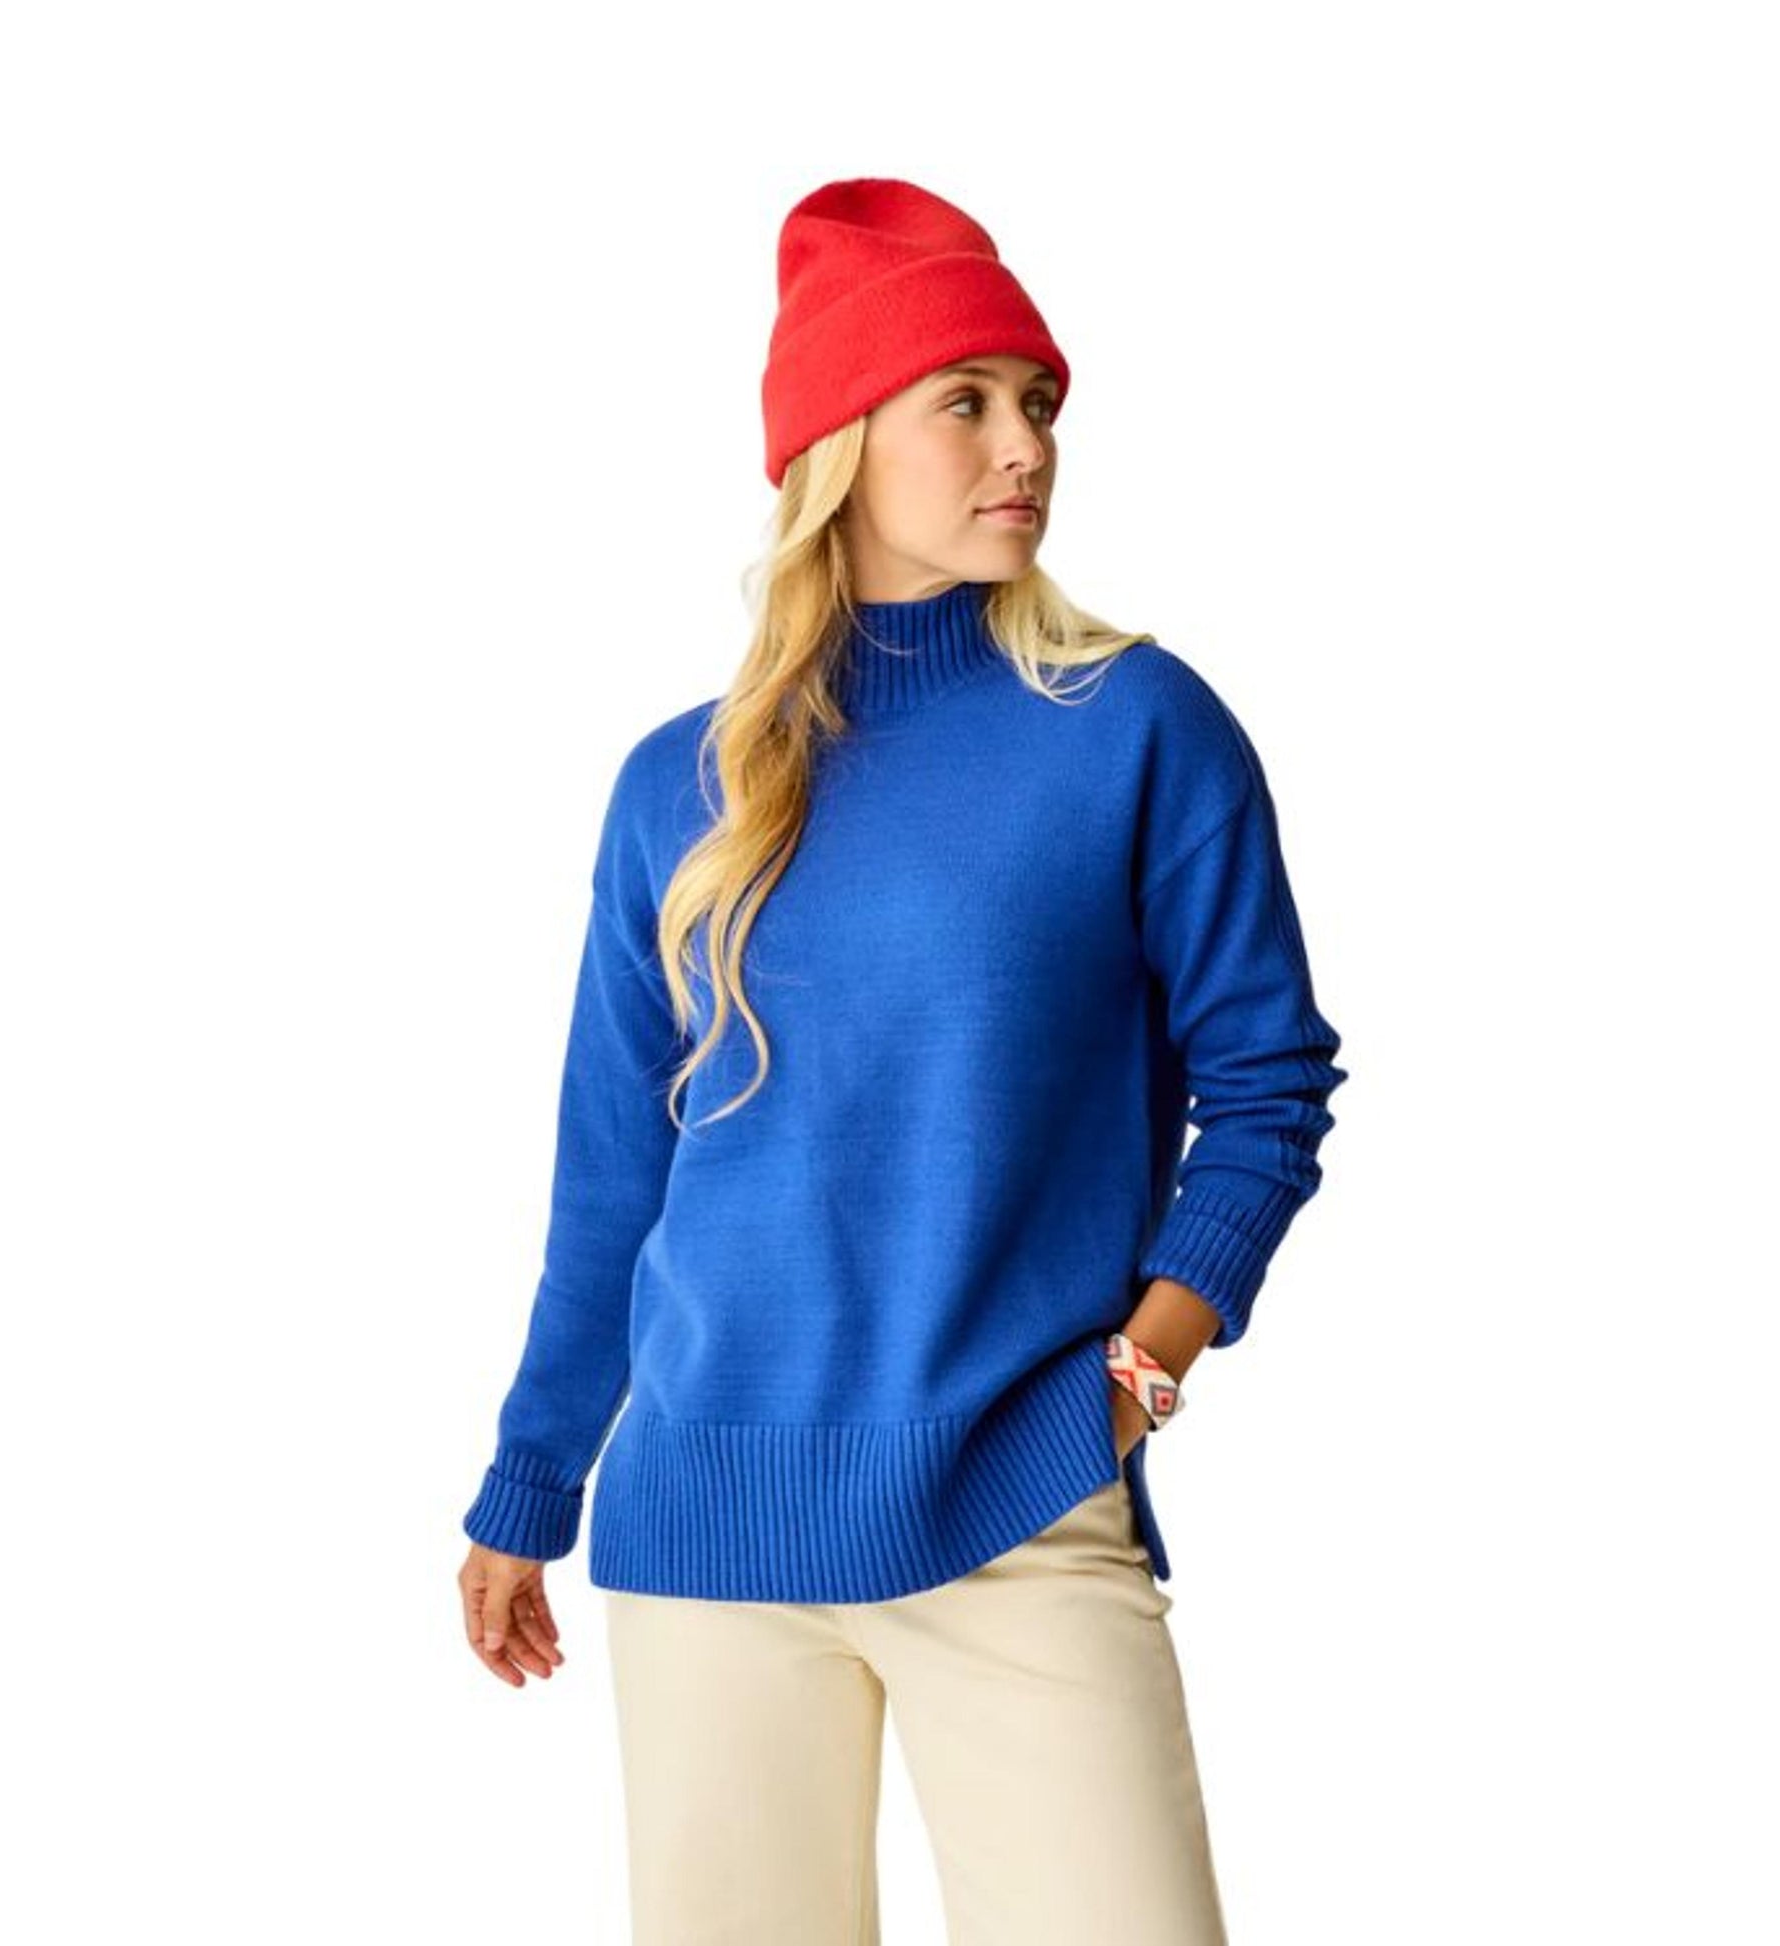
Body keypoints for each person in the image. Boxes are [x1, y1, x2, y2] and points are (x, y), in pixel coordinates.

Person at [455, 176, 1349, 1944]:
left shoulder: (1133, 725)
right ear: (839, 441)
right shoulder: (678, 788)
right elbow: (613, 1181)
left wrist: (1142, 1368)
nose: (1024, 446)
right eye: (966, 401)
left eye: (1039, 403)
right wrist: (529, 1477)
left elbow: (1267, 1083)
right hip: (708, 1520)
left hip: (1017, 1487)